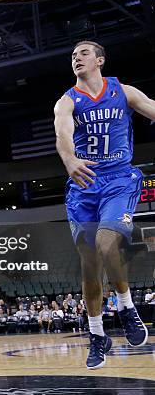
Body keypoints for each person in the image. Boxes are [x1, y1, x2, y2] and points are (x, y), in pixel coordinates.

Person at [54, 40, 154, 369]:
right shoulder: (67, 101)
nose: (76, 59)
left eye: (83, 54)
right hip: (83, 187)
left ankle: (126, 306)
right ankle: (97, 334)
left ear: (100, 59)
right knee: (89, 266)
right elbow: (62, 135)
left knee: (106, 243)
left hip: (118, 180)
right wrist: (69, 160)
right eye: (73, 56)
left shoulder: (123, 92)